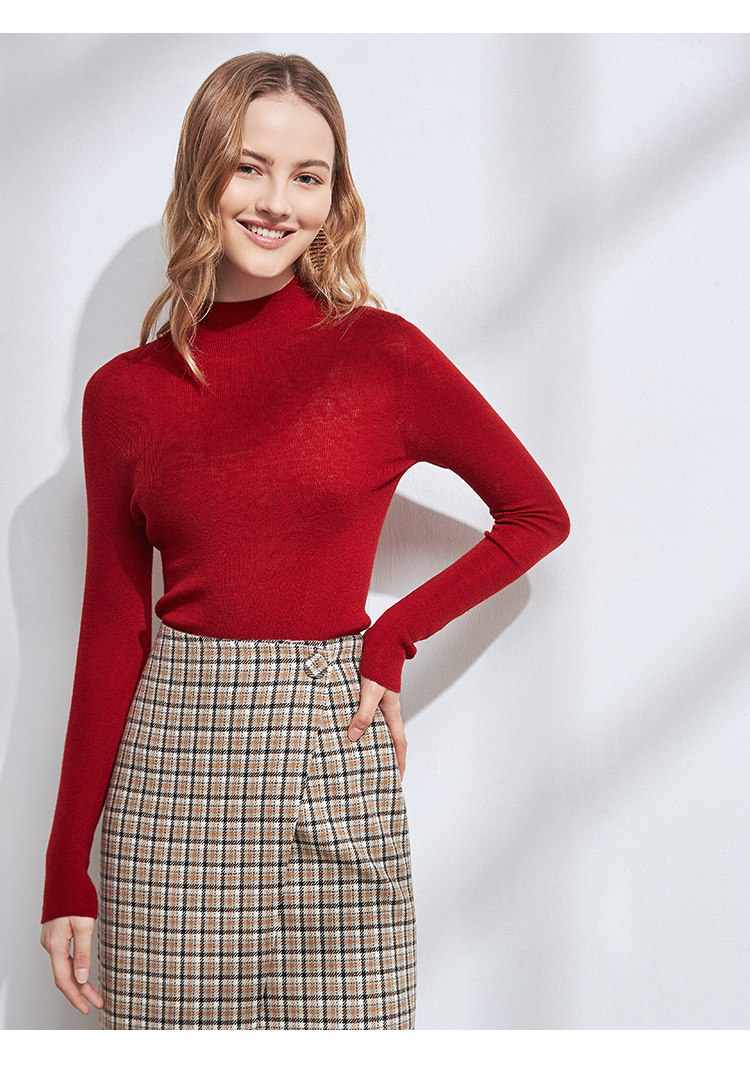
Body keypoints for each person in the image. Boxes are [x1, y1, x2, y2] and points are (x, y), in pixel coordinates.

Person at [39, 51, 570, 1030]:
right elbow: (112, 629)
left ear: (335, 197)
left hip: (335, 748)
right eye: (249, 166)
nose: (277, 202)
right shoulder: (124, 394)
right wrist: (65, 867)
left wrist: (391, 635)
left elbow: (537, 514)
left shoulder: (382, 355)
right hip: (174, 777)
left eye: (307, 176)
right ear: (203, 173)